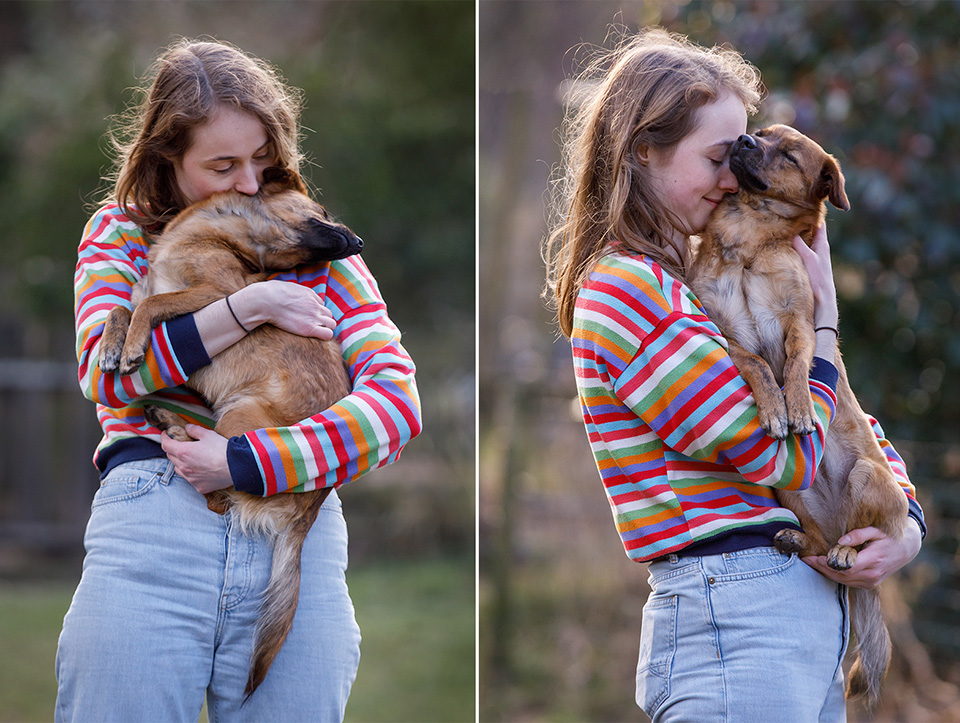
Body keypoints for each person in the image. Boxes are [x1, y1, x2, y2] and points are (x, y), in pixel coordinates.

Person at [544, 28, 924, 722]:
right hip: (735, 613)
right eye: (719, 157)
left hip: (788, 610)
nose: (734, 177)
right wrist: (828, 323)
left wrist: (905, 525)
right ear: (642, 151)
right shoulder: (628, 290)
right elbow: (778, 452)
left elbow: (842, 421)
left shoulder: (681, 279)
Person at [59, 38, 422, 722]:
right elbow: (104, 376)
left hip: (297, 532)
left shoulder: (312, 243)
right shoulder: (119, 235)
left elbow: (397, 407)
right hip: (153, 524)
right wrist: (246, 306)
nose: (250, 185)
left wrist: (247, 460)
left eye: (262, 160)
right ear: (167, 160)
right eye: (222, 165)